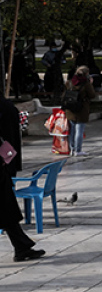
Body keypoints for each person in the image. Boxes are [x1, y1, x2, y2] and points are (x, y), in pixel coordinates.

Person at [0, 95, 45, 262]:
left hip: (3, 165)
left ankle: (22, 246)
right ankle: (22, 246)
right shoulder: (6, 106)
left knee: (7, 210)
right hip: (4, 163)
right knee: (6, 210)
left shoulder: (4, 107)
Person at [63, 65, 97, 157]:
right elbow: (92, 95)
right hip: (81, 108)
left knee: (72, 130)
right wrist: (91, 84)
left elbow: (64, 95)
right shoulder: (86, 83)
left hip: (70, 108)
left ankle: (72, 149)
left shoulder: (69, 82)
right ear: (86, 74)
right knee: (79, 130)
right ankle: (78, 150)